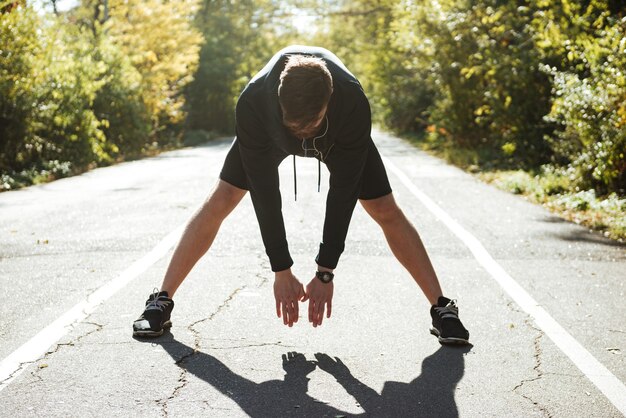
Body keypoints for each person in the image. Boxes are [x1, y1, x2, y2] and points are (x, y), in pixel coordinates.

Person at [133, 45, 469, 345]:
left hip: (338, 139)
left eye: (312, 122)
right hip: (268, 135)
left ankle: (443, 309)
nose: (303, 133)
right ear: (279, 103)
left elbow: (342, 194)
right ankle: (160, 301)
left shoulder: (352, 102)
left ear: (329, 101)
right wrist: (281, 269)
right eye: (295, 125)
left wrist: (325, 271)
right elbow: (265, 193)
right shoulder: (253, 103)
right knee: (223, 198)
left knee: (384, 209)